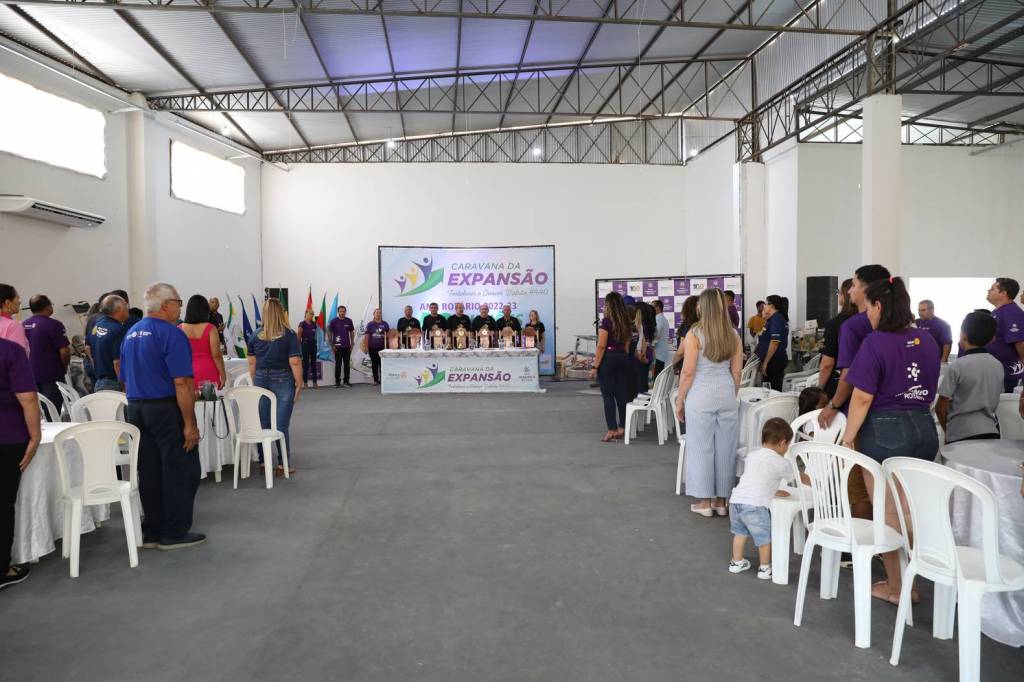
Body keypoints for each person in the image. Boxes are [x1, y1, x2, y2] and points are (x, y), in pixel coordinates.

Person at [842, 276, 940, 605]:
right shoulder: (927, 339)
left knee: (887, 514)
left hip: (885, 431)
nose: (867, 314)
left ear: (879, 306)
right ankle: (913, 580)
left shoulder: (876, 342)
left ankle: (899, 588)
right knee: (910, 510)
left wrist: (848, 438)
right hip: (924, 427)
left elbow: (861, 398)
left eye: (869, 307)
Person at [120, 283, 203, 550]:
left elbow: (123, 376)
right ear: (166, 305)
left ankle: (152, 530)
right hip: (164, 408)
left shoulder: (131, 333)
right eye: (178, 302)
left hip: (136, 407)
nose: (180, 307)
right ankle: (174, 531)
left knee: (149, 470)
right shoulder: (171, 333)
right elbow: (182, 382)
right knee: (180, 469)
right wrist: (189, 423)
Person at [675, 288, 743, 517]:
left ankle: (705, 502)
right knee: (726, 448)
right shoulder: (733, 334)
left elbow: (688, 372)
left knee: (702, 447)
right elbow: (737, 372)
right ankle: (722, 502)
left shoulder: (695, 333)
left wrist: (680, 400)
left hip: (700, 395)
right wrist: (731, 393)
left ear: (702, 306)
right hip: (726, 393)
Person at [818, 264, 892, 428]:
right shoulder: (898, 324)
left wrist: (833, 405)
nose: (849, 291)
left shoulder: (852, 327)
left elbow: (849, 374)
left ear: (866, 290)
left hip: (862, 409)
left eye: (853, 285)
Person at [728, 418, 795, 581]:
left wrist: (774, 490)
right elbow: (796, 478)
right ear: (782, 443)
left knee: (740, 533)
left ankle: (736, 562)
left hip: (736, 500)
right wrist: (814, 481)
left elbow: (757, 479)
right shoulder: (782, 462)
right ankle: (765, 568)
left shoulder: (752, 456)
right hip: (756, 505)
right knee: (763, 538)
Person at [0, 337, 40, 590]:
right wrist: (35, 436)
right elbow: (28, 398)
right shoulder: (9, 351)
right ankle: (2, 569)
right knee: (3, 502)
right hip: (8, 435)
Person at [247, 298, 302, 475]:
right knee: (281, 425)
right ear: (280, 313)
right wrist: (299, 383)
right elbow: (294, 361)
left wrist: (256, 381)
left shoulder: (255, 335)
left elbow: (252, 363)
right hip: (283, 379)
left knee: (263, 423)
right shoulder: (290, 334)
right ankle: (283, 464)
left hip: (261, 379)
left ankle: (263, 462)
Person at [936, 312, 1005, 443]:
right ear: (992, 339)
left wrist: (947, 432)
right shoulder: (998, 365)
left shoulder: (957, 365)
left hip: (960, 433)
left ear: (963, 335)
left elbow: (940, 408)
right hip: (992, 431)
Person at [591, 292, 632, 442]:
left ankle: (611, 429)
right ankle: (622, 427)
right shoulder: (626, 321)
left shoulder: (606, 322)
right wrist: (622, 355)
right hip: (623, 358)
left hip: (608, 359)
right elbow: (627, 344)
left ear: (608, 305)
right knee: (621, 395)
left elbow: (601, 346)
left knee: (608, 396)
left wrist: (595, 366)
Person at [22, 294, 70, 411]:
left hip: (30, 374)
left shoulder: (23, 325)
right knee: (53, 409)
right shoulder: (55, 325)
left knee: (39, 409)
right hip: (51, 374)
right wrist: (63, 367)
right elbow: (64, 352)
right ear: (47, 307)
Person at [817, 279, 856, 397]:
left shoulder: (835, 324)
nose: (838, 295)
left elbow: (827, 363)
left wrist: (819, 389)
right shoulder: (868, 321)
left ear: (846, 295)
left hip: (839, 384)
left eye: (840, 292)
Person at [179, 295, 226, 390]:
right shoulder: (211, 328)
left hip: (186, 373)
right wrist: (223, 375)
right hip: (208, 371)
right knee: (210, 399)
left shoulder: (179, 329)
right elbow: (217, 355)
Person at [985, 278, 1024, 392]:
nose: (988, 290)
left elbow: (1020, 343)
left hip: (1007, 372)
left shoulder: (1011, 313)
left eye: (992, 289)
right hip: (994, 370)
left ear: (1003, 293)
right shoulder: (997, 312)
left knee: (1003, 401)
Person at [88, 294, 129, 392]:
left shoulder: (98, 325)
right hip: (113, 383)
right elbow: (117, 362)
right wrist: (124, 385)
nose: (128, 309)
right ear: (119, 309)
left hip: (100, 380)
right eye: (126, 306)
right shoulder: (118, 330)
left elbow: (87, 348)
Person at [756, 295, 789, 391]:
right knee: (769, 388)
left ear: (772, 306)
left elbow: (775, 342)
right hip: (771, 359)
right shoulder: (772, 319)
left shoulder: (777, 319)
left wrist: (765, 363)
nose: (764, 306)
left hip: (774, 361)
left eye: (766, 304)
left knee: (772, 389)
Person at [631, 301, 656, 396]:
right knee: (644, 381)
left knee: (640, 383)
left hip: (642, 354)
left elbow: (643, 342)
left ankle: (641, 400)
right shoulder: (650, 323)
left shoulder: (641, 325)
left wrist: (642, 355)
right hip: (647, 354)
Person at [328, 306, 355, 387]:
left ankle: (346, 381)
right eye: (341, 311)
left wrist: (352, 343)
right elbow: (329, 333)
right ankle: (337, 382)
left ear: (345, 312)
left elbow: (351, 332)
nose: (342, 313)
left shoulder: (349, 321)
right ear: (338, 312)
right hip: (337, 347)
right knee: (338, 364)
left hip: (347, 346)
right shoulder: (333, 321)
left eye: (344, 311)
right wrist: (332, 344)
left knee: (347, 364)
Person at [672, 295, 700, 372]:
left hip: (687, 367)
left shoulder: (688, 325)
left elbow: (681, 352)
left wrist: (673, 364)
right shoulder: (700, 325)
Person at [0, 284, 29, 356]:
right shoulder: (13, 326)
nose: (19, 302)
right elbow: (18, 357)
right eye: (17, 298)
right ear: (8, 303)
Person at [364, 308, 388, 385]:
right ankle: (375, 380)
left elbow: (388, 335)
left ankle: (383, 380)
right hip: (372, 347)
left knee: (382, 364)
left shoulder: (385, 324)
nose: (378, 314)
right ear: (374, 314)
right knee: (374, 364)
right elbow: (366, 336)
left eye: (380, 313)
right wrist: (366, 346)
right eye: (377, 313)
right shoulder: (370, 324)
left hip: (382, 348)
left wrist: (384, 336)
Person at [297, 310, 319, 389]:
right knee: (305, 365)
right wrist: (299, 348)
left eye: (312, 314)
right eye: (310, 314)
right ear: (306, 314)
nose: (311, 315)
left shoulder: (314, 324)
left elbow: (315, 335)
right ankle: (305, 383)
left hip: (313, 345)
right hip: (305, 346)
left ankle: (315, 383)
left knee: (314, 364)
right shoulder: (302, 324)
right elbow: (298, 337)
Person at [651, 300, 671, 378]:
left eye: (652, 307)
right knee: (658, 375)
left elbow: (656, 335)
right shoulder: (662, 318)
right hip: (660, 352)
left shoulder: (658, 319)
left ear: (658, 308)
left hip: (658, 353)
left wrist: (649, 344)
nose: (651, 309)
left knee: (657, 376)